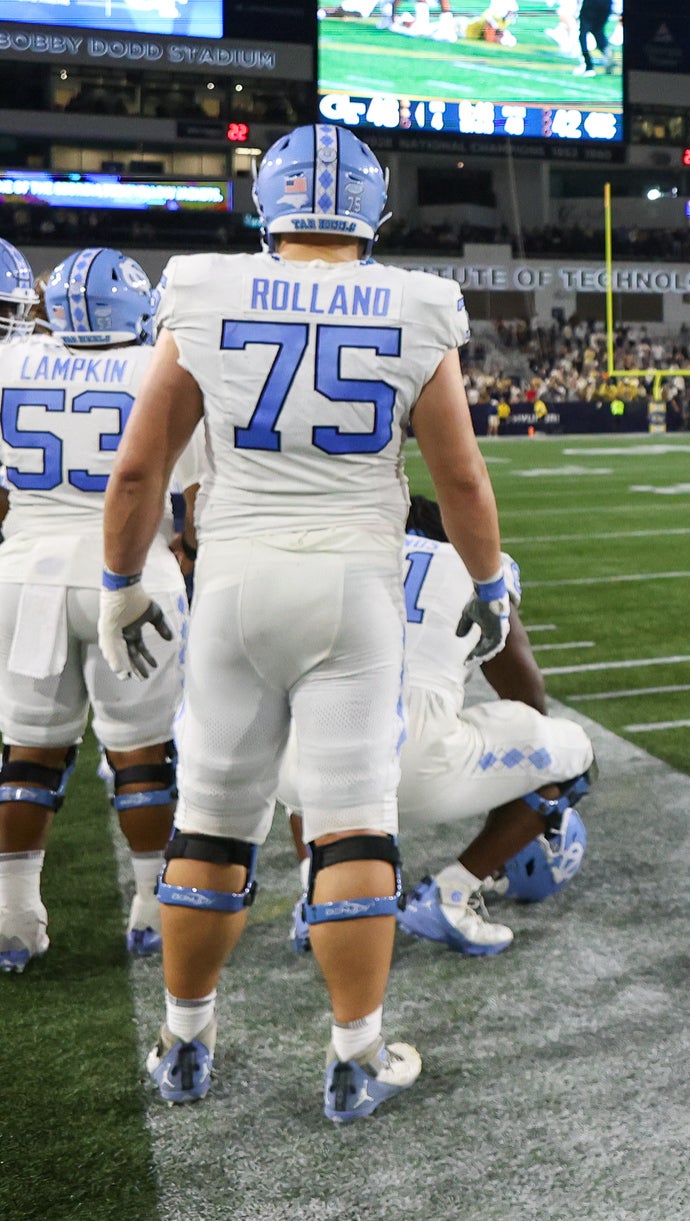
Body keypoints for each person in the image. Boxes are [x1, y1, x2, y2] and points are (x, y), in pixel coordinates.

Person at [99, 123, 507, 1123]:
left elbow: (144, 467)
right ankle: (355, 1056)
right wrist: (489, 583)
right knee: (350, 824)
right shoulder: (416, 301)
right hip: (351, 591)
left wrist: (121, 582)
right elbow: (457, 475)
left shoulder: (202, 286)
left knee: (215, 819)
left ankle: (186, 1041)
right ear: (374, 210)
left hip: (235, 583)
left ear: (266, 200)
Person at [280, 495, 594, 956]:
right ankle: (451, 895)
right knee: (573, 754)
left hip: (295, 774)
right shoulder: (471, 567)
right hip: (413, 770)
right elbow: (526, 697)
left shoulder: (327, 559)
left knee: (316, 723)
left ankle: (319, 895)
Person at [0, 246, 189, 969]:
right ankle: (152, 909)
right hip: (132, 573)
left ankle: (13, 918)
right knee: (141, 755)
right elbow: (192, 500)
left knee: (30, 753)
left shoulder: (12, 361)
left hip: (28, 572)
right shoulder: (161, 366)